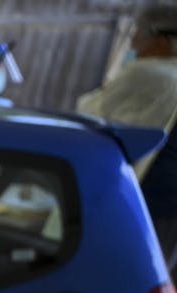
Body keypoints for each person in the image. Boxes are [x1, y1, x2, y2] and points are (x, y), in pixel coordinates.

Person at [78, 6, 177, 274]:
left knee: (120, 272)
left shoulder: (151, 75)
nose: (133, 42)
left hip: (146, 196)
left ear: (163, 41)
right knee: (154, 272)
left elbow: (92, 114)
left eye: (139, 34)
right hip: (168, 204)